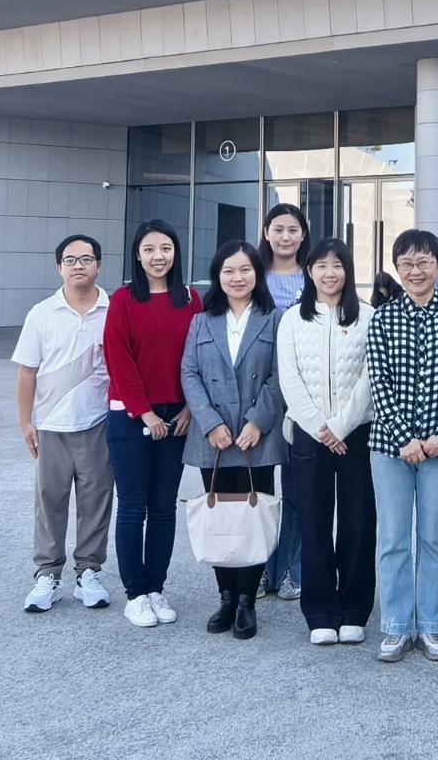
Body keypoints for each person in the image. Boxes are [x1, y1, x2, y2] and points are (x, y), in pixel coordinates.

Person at [367, 230, 438, 663]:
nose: (415, 271)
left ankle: (432, 625)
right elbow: (379, 384)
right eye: (407, 264)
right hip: (390, 449)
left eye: (424, 262)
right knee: (393, 539)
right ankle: (397, 627)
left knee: (434, 539)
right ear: (397, 268)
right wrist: (404, 438)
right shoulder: (382, 319)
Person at [181, 240, 283, 641]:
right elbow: (189, 373)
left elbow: (279, 376)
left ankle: (247, 601)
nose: (237, 278)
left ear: (257, 274)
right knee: (221, 518)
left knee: (253, 519)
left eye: (244, 270)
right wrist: (209, 423)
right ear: (217, 276)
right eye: (228, 271)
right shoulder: (201, 321)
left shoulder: (274, 319)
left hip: (257, 438)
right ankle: (225, 596)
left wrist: (258, 421)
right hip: (216, 440)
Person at [277, 238, 377, 648]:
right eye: (321, 265)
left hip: (357, 433)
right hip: (309, 432)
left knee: (358, 521)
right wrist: (320, 426)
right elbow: (289, 378)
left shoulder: (368, 316)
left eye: (337, 265)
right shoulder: (292, 319)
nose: (329, 273)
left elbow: (371, 377)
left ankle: (354, 609)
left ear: (348, 271)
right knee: (313, 521)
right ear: (309, 271)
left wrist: (341, 425)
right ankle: (320, 611)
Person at [104, 220, 202, 628]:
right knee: (132, 506)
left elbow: (199, 356)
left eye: (165, 248)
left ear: (175, 253)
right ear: (137, 255)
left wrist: (189, 409)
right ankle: (135, 594)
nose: (158, 256)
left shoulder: (191, 298)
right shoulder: (123, 298)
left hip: (177, 416)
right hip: (130, 415)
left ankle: (156, 588)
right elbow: (117, 356)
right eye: (149, 249)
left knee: (163, 507)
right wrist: (144, 411)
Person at [14, 235, 113, 614]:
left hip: (98, 422)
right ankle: (47, 575)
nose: (78, 266)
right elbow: (27, 372)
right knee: (49, 501)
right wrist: (26, 422)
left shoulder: (113, 310)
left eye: (86, 259)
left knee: (96, 502)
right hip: (52, 425)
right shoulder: (42, 313)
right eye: (70, 260)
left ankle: (89, 573)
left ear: (99, 265)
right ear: (59, 267)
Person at [258, 203, 310, 601]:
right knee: (257, 490)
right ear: (266, 232)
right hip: (257, 392)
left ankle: (294, 569)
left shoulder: (315, 276)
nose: (286, 236)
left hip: (300, 394)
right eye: (278, 229)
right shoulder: (252, 274)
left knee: (298, 488)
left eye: (293, 229)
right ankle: (257, 569)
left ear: (303, 234)